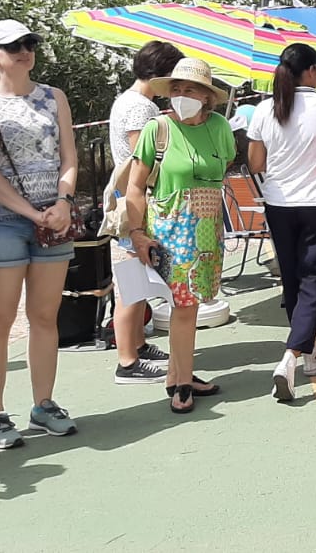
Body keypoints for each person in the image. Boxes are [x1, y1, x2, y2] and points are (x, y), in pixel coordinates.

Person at [0, 19, 80, 448]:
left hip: (54, 219)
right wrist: (32, 213)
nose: (24, 50)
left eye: (29, 43)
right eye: (13, 45)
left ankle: (43, 404)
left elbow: (69, 156)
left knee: (45, 318)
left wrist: (64, 202)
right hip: (3, 221)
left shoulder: (54, 97)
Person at [123, 58, 236, 414]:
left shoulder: (219, 127)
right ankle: (183, 386)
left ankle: (178, 374)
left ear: (207, 96)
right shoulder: (157, 129)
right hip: (171, 227)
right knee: (185, 307)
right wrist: (137, 234)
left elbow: (223, 165)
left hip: (207, 227)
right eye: (176, 89)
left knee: (192, 303)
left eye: (190, 89)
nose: (181, 95)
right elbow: (135, 187)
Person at [247, 43, 316, 403]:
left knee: (291, 277)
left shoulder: (264, 109)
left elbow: (256, 162)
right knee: (313, 279)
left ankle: (308, 349)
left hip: (278, 202)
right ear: (313, 71)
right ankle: (293, 354)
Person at [106, 41, 182, 384]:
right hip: (137, 203)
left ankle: (138, 343)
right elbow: (145, 156)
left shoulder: (132, 101)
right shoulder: (140, 109)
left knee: (137, 279)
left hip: (132, 199)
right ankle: (127, 360)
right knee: (132, 283)